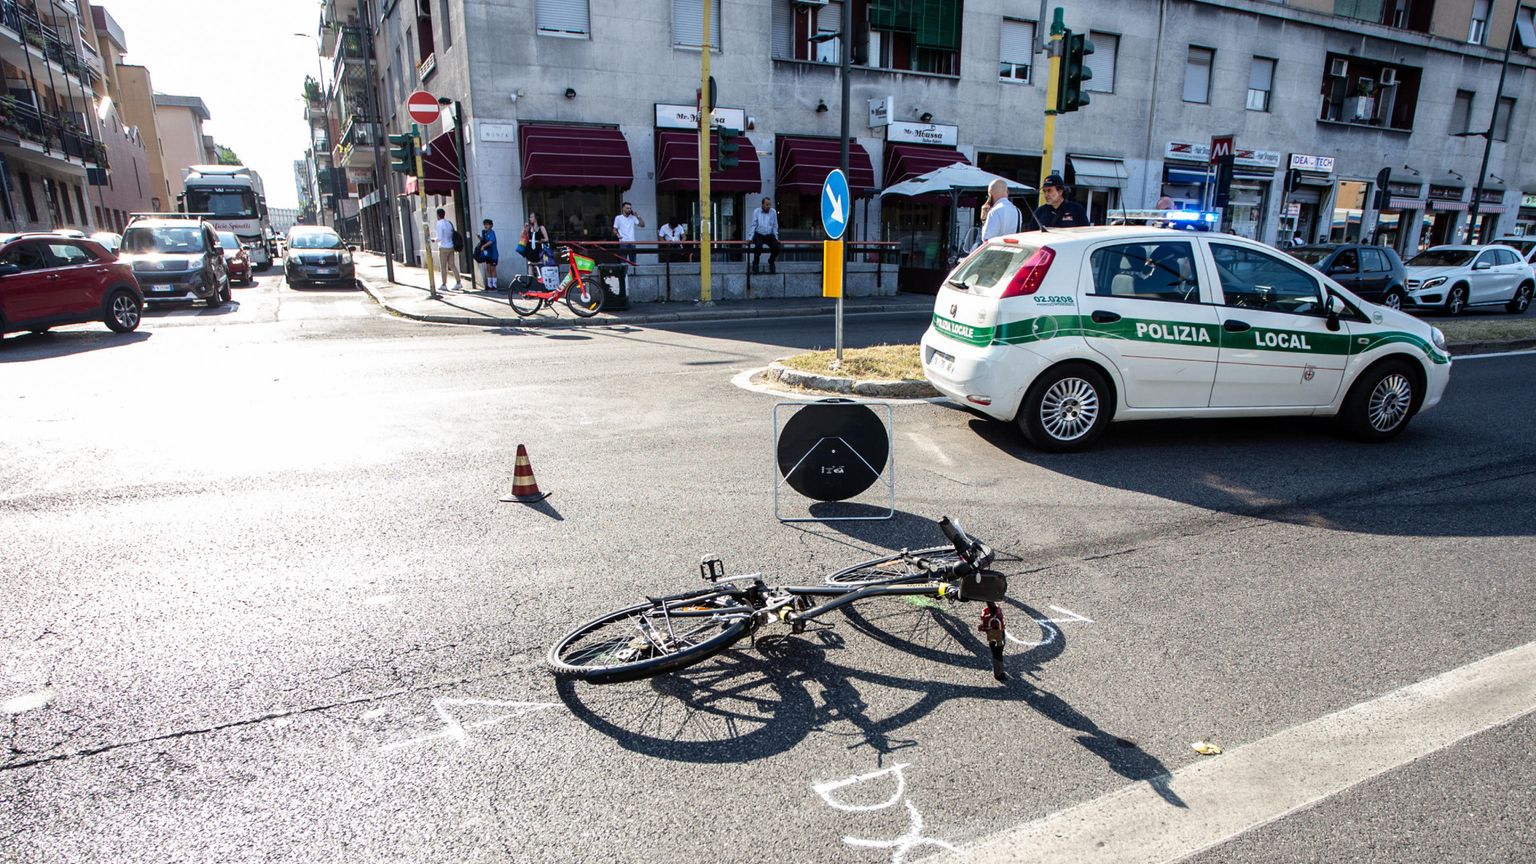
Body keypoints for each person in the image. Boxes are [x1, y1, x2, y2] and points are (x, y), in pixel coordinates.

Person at [979, 178, 1022, 244]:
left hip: (996, 249)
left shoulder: (994, 211)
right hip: (1012, 249)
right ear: (1007, 192)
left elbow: (986, 239)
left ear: (990, 194)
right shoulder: (1017, 211)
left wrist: (984, 220)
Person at [749, 197, 780, 274]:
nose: (768, 206)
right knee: (758, 247)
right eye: (767, 204)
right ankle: (755, 263)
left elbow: (775, 225)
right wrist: (750, 237)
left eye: (769, 204)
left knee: (776, 247)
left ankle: (771, 262)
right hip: (759, 234)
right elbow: (753, 225)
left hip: (769, 235)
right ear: (762, 204)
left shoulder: (773, 212)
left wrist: (776, 238)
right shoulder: (756, 211)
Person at [433, 207, 460, 292]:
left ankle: (444, 284)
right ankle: (458, 282)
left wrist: (433, 240)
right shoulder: (449, 223)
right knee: (452, 265)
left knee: (443, 266)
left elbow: (439, 238)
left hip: (443, 247)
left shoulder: (439, 224)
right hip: (451, 246)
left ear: (438, 215)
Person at [474, 219, 500, 290]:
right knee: (488, 268)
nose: (486, 226)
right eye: (485, 224)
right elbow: (484, 241)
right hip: (488, 254)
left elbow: (491, 241)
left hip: (493, 254)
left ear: (491, 225)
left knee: (493, 269)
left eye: (487, 224)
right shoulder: (485, 233)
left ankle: (494, 285)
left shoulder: (492, 233)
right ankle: (489, 285)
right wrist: (480, 238)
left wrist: (483, 246)